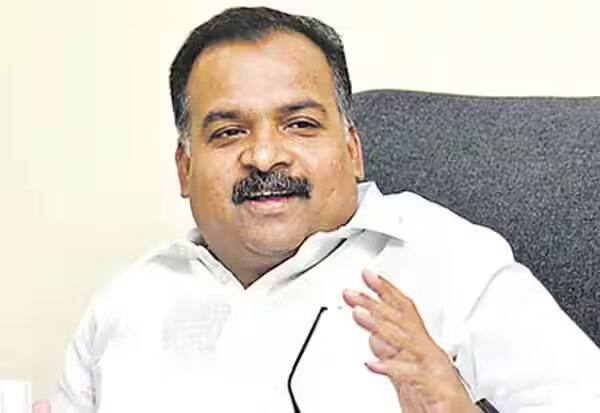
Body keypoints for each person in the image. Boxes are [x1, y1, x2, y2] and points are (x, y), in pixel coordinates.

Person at [35, 6, 600, 413]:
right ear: (185, 168)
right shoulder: (128, 302)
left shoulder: (448, 262)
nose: (263, 156)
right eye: (229, 132)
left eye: (300, 124)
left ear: (352, 150)